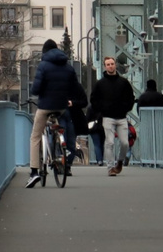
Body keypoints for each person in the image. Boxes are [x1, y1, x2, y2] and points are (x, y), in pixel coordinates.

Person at [28, 38, 81, 187]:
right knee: (59, 124)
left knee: (35, 137)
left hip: (45, 106)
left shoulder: (43, 66)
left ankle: (34, 172)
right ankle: (60, 148)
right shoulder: (69, 67)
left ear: (45, 52)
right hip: (62, 106)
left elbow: (36, 89)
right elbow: (75, 89)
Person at [90, 55, 136, 175]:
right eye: (108, 64)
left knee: (125, 143)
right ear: (105, 67)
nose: (110, 66)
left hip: (121, 117)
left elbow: (131, 97)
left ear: (115, 65)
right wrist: (101, 110)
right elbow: (93, 99)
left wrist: (126, 108)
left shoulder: (124, 83)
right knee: (109, 142)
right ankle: (110, 167)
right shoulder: (100, 84)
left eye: (112, 64)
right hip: (108, 117)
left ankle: (119, 162)